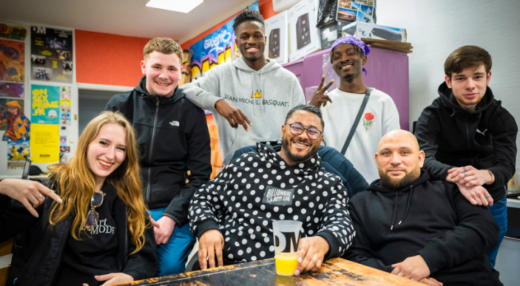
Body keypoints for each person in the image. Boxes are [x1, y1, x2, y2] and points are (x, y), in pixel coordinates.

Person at [189, 105, 354, 275]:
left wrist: (323, 241)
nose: (303, 135)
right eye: (296, 127)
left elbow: (342, 223)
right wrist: (207, 228)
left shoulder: (329, 184)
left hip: (290, 274)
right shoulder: (246, 163)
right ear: (283, 130)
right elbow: (203, 197)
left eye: (312, 131)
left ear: (320, 139)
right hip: (226, 267)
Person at [0, 111, 157, 286]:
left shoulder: (128, 198)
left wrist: (131, 276)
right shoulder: (51, 190)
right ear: (86, 144)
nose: (111, 155)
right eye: (104, 143)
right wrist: (2, 187)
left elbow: (144, 255)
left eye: (121, 148)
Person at [105, 37, 212, 275]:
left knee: (168, 269)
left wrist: (171, 217)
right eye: (157, 67)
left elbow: (201, 176)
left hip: (173, 210)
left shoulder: (192, 113)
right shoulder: (120, 105)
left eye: (172, 69)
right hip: (126, 205)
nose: (164, 75)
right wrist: (132, 210)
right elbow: (104, 163)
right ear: (144, 67)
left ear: (181, 71)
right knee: (120, 268)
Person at [345, 130, 502, 286]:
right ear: (377, 160)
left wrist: (427, 260)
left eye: (404, 152)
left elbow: (484, 228)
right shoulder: (359, 204)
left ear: (420, 159)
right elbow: (355, 256)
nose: (395, 160)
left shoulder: (452, 189)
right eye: (386, 154)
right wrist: (397, 278)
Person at [414, 45, 518, 267]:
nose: (470, 85)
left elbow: (506, 165)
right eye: (461, 78)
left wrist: (484, 176)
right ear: (449, 81)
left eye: (477, 76)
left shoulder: (502, 118)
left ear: (488, 77)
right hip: (444, 200)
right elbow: (423, 159)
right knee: (444, 264)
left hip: (490, 200)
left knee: (484, 266)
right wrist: (460, 177)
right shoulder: (431, 116)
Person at [180, 9, 305, 165]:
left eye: (257, 36)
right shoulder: (222, 74)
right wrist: (217, 102)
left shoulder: (288, 80)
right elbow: (184, 90)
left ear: (265, 39)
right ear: (237, 43)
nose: (251, 41)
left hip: (281, 166)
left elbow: (303, 122)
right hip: (237, 168)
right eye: (245, 37)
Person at [309, 35, 400, 184]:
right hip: (335, 189)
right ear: (333, 65)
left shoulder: (383, 102)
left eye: (350, 53)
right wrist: (311, 110)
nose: (344, 59)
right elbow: (312, 150)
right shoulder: (323, 103)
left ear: (363, 59)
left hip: (375, 188)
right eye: (337, 57)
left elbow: (394, 149)